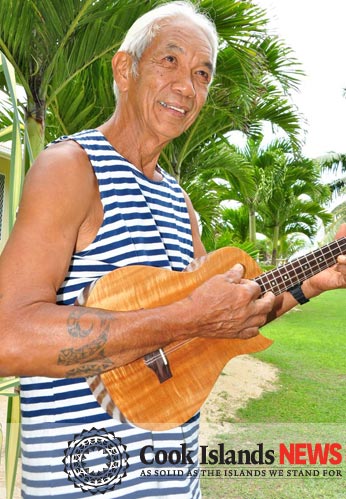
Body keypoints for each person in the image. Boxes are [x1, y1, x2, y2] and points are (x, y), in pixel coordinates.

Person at [0, 1, 345, 497]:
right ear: (125, 68)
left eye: (202, 73)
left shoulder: (177, 200)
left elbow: (211, 332)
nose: (188, 85)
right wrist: (189, 317)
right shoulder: (71, 168)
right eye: (171, 61)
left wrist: (315, 280)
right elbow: (10, 335)